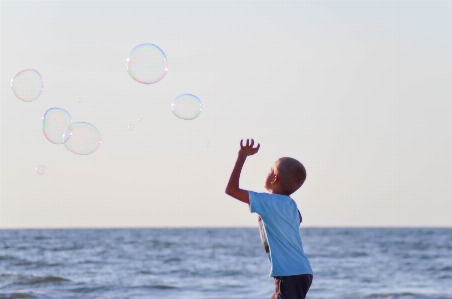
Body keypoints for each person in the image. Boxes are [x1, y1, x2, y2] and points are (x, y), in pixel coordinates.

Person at [225, 139, 313, 299]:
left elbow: (231, 190)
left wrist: (241, 157)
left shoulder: (268, 202)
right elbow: (298, 219)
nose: (267, 173)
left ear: (275, 179)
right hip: (302, 271)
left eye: (270, 171)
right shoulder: (291, 204)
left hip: (289, 274)